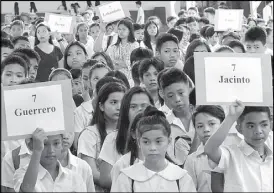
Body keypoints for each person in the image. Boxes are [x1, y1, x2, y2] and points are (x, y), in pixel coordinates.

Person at [111, 106, 196, 192]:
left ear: (169, 141)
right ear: (139, 142)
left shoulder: (181, 177)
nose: (152, 148)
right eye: (146, 142)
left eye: (158, 141)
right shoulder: (127, 178)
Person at [204, 102, 273, 192]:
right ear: (239, 129)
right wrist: (231, 117)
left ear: (270, 125)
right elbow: (209, 149)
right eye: (251, 126)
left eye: (264, 124)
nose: (258, 131)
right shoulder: (231, 155)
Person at [98, 87, 154, 190]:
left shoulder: (162, 135)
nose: (139, 110)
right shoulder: (113, 138)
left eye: (144, 106)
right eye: (133, 107)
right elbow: (105, 179)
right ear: (125, 111)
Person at [78, 82, 127, 191]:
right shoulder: (89, 134)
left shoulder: (131, 132)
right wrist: (122, 184)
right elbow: (91, 172)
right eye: (113, 102)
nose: (119, 107)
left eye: (123, 103)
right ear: (101, 106)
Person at [13, 129, 87, 192]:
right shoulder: (22, 174)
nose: (51, 150)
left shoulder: (75, 179)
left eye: (56, 143)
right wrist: (37, 151)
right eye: (44, 144)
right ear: (32, 146)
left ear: (62, 145)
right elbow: (27, 189)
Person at [159, 67, 197, 166]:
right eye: (171, 96)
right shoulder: (164, 125)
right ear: (163, 95)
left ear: (189, 87)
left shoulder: (204, 116)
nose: (177, 99)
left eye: (181, 93)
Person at [184, 105, 225, 192]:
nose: (206, 129)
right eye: (200, 126)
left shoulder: (235, 154)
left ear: (223, 125)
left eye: (212, 124)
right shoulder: (192, 160)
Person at [73, 63, 111, 150]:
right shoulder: (80, 111)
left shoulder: (119, 106)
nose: (101, 82)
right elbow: (77, 144)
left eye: (105, 77)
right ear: (89, 82)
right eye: (96, 78)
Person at [107, 19, 139, 84]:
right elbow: (111, 63)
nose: (121, 31)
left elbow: (132, 63)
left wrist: (120, 63)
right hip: (116, 78)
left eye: (124, 29)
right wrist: (122, 63)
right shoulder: (114, 47)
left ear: (129, 31)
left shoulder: (135, 45)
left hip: (130, 78)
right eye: (119, 29)